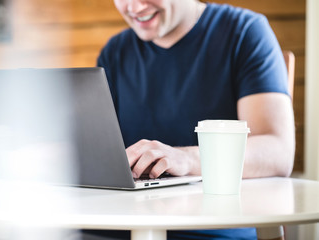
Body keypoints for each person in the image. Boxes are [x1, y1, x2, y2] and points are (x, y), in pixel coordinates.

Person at [85, 0, 295, 239]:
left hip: (210, 229)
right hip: (115, 226)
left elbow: (278, 151)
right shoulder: (115, 51)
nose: (134, 6)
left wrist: (187, 158)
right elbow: (94, 148)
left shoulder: (244, 32)